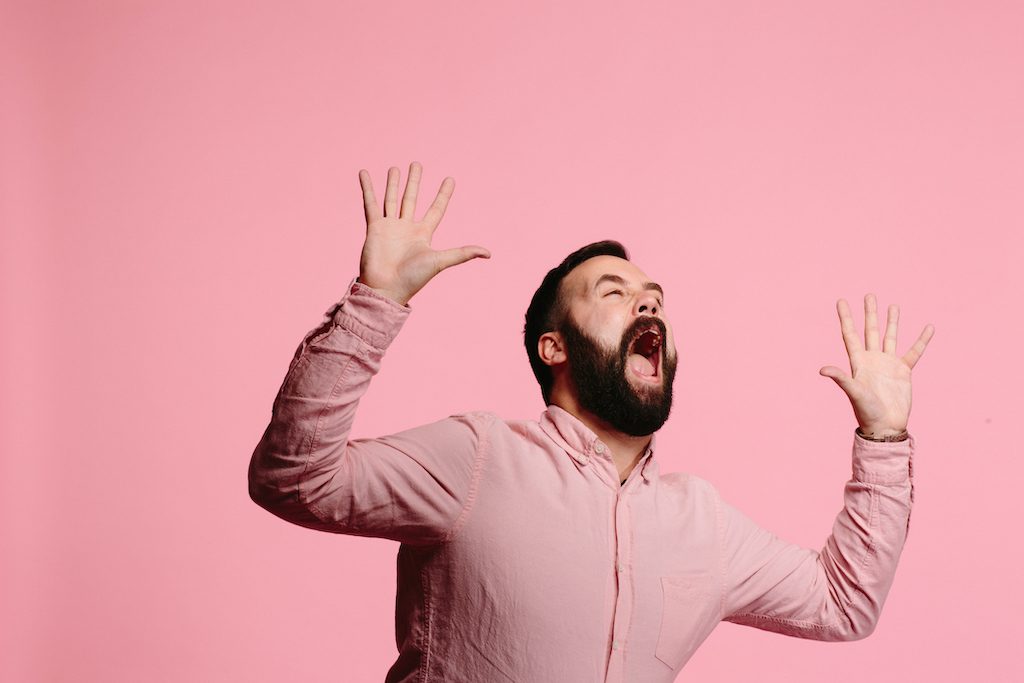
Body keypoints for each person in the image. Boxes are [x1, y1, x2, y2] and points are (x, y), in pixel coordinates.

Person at [248, 162, 934, 682]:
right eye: (615, 294)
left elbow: (843, 604)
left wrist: (883, 437)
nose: (648, 307)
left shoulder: (703, 522)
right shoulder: (478, 457)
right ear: (556, 348)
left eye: (654, 298)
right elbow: (293, 477)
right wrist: (377, 301)